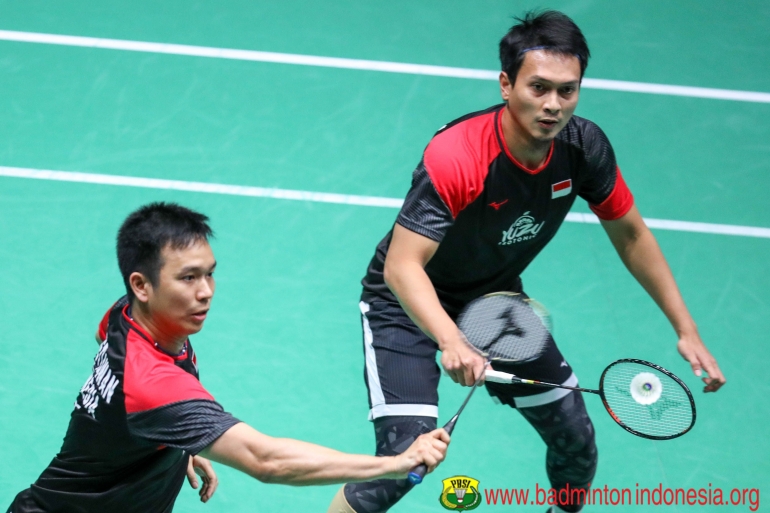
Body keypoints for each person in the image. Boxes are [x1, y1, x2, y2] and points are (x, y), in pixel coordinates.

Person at [327, 10, 726, 513]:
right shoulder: (459, 156)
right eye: (538, 88)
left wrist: (685, 328)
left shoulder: (584, 148)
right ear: (505, 84)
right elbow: (402, 268)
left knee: (575, 439)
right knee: (402, 468)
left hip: (493, 302)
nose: (553, 105)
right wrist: (451, 341)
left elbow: (630, 232)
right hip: (403, 306)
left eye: (568, 90)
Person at [7, 202, 450, 513]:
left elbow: (107, 354)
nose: (205, 292)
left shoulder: (124, 316)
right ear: (141, 285)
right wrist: (395, 462)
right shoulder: (153, 385)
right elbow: (267, 460)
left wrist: (173, 440)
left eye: (209, 273)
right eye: (188, 278)